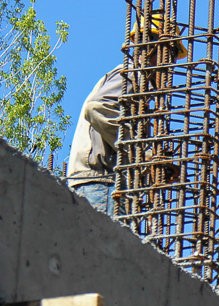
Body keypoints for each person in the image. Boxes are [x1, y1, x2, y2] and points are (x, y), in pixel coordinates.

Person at [66, 10, 186, 215]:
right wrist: (143, 153)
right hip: (101, 183)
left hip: (103, 184)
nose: (172, 63)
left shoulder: (140, 86)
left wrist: (152, 167)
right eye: (170, 52)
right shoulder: (132, 74)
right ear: (151, 45)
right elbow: (97, 107)